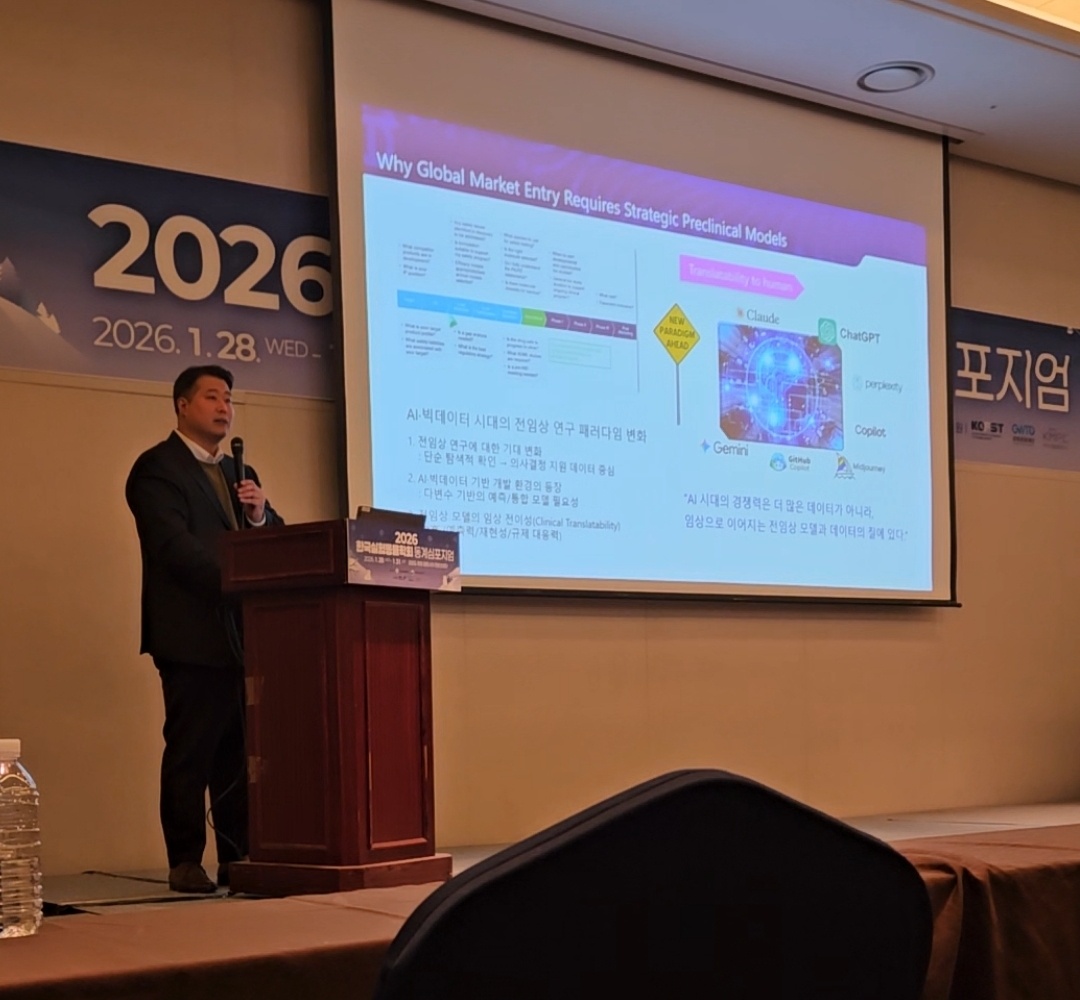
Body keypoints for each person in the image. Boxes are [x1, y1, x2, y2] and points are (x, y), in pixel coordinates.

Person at [125, 365, 283, 893]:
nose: (224, 407)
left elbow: (277, 538)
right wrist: (236, 579)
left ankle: (237, 858)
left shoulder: (240, 470)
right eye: (212, 397)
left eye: (229, 399)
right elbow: (172, 547)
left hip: (240, 635)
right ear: (182, 405)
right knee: (191, 750)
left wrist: (259, 517)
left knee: (237, 755)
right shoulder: (156, 468)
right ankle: (185, 860)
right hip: (189, 633)